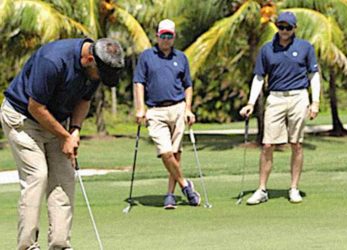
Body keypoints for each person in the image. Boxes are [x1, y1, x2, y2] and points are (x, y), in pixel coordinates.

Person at [0, 38, 125, 249]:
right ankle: (27, 246)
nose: (98, 79)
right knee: (37, 176)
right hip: (22, 119)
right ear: (88, 59)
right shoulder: (53, 60)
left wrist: (75, 130)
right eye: (99, 75)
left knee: (64, 179)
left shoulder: (97, 66)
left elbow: (84, 101)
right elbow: (35, 107)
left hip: (56, 122)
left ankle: (60, 244)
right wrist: (65, 136)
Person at [240, 11, 321, 205]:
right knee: (268, 144)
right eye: (281, 27)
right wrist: (251, 102)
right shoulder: (267, 49)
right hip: (275, 97)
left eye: (288, 27)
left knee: (296, 143)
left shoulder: (305, 47)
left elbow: (313, 76)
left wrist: (315, 101)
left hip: (299, 96)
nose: (284, 31)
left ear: (295, 28)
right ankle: (262, 189)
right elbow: (259, 77)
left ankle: (294, 188)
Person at [133, 19, 201, 209]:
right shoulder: (147, 56)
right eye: (163, 35)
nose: (166, 39)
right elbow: (139, 83)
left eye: (169, 35)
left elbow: (188, 85)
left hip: (178, 108)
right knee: (165, 152)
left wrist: (188, 108)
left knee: (176, 154)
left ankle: (170, 195)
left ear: (174, 37)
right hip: (155, 111)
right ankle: (186, 186)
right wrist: (140, 108)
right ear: (157, 36)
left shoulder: (181, 57)